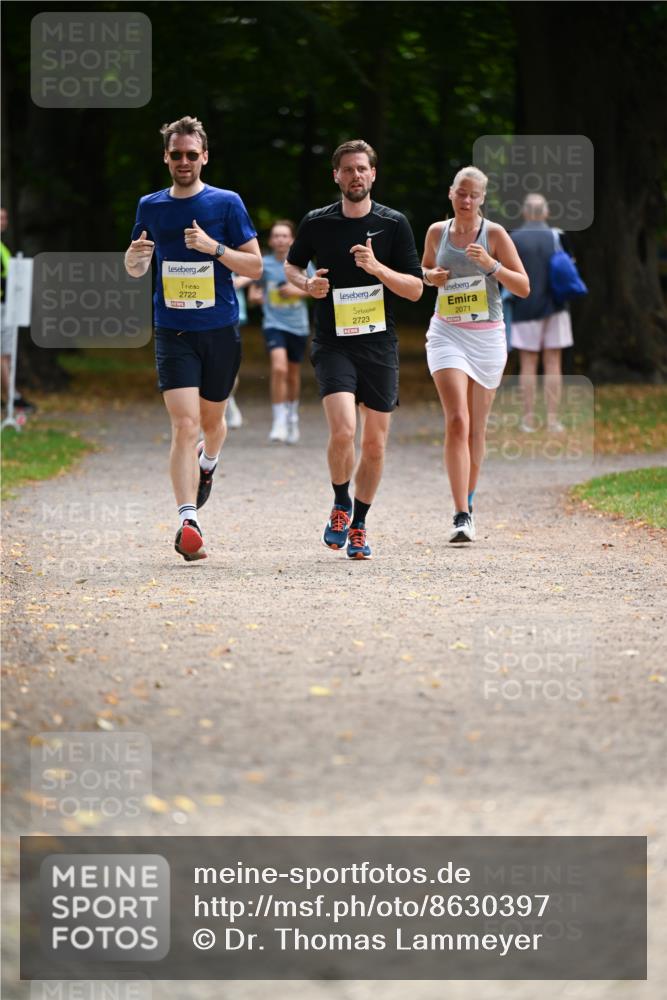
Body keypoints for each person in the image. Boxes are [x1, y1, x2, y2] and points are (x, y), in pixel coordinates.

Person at [124, 116, 262, 562]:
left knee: (212, 423)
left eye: (191, 154)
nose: (183, 161)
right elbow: (137, 268)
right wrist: (133, 258)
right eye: (176, 154)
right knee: (184, 424)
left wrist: (213, 248)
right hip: (173, 329)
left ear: (204, 157)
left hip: (219, 329)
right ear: (166, 158)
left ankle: (208, 462)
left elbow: (255, 266)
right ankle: (189, 521)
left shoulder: (227, 203)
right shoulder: (150, 206)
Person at [285, 139, 423, 559]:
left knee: (375, 445)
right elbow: (292, 265)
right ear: (336, 176)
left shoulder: (394, 224)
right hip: (333, 343)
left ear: (373, 174)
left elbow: (416, 289)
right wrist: (307, 284)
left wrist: (377, 268)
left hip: (379, 344)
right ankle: (341, 502)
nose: (355, 175)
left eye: (362, 168)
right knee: (344, 429)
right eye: (347, 169)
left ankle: (360, 524)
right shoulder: (317, 222)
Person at [421, 166, 529, 543]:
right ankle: (460, 514)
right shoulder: (437, 231)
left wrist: (492, 266)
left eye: (474, 195)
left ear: (483, 198)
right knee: (457, 421)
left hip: (486, 337)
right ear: (451, 193)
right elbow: (424, 269)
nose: (466, 200)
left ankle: (469, 499)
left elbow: (524, 286)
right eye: (461, 193)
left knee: (476, 429)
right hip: (447, 332)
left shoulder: (494, 234)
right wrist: (429, 276)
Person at [510, 193, 575, 433]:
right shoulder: (558, 236)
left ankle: (528, 420)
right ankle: (553, 421)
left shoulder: (513, 239)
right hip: (556, 307)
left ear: (525, 213)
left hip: (524, 307)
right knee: (553, 362)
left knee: (528, 363)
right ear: (546, 212)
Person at [252, 220, 313, 444]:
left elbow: (316, 288)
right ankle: (278, 421)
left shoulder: (303, 263)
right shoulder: (264, 264)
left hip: (298, 326)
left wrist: (298, 290)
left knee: (293, 374)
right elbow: (254, 290)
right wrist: (255, 296)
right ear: (270, 241)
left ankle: (291, 418)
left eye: (284, 236)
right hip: (273, 324)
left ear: (292, 240)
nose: (280, 240)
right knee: (279, 368)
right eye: (276, 236)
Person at [0, 207, 35, 412]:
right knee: (3, 354)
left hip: (7, 305)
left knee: (6, 353)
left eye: (5, 217)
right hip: (2, 306)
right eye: (0, 218)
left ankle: (10, 395)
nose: (4, 221)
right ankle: (12, 396)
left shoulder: (3, 247)